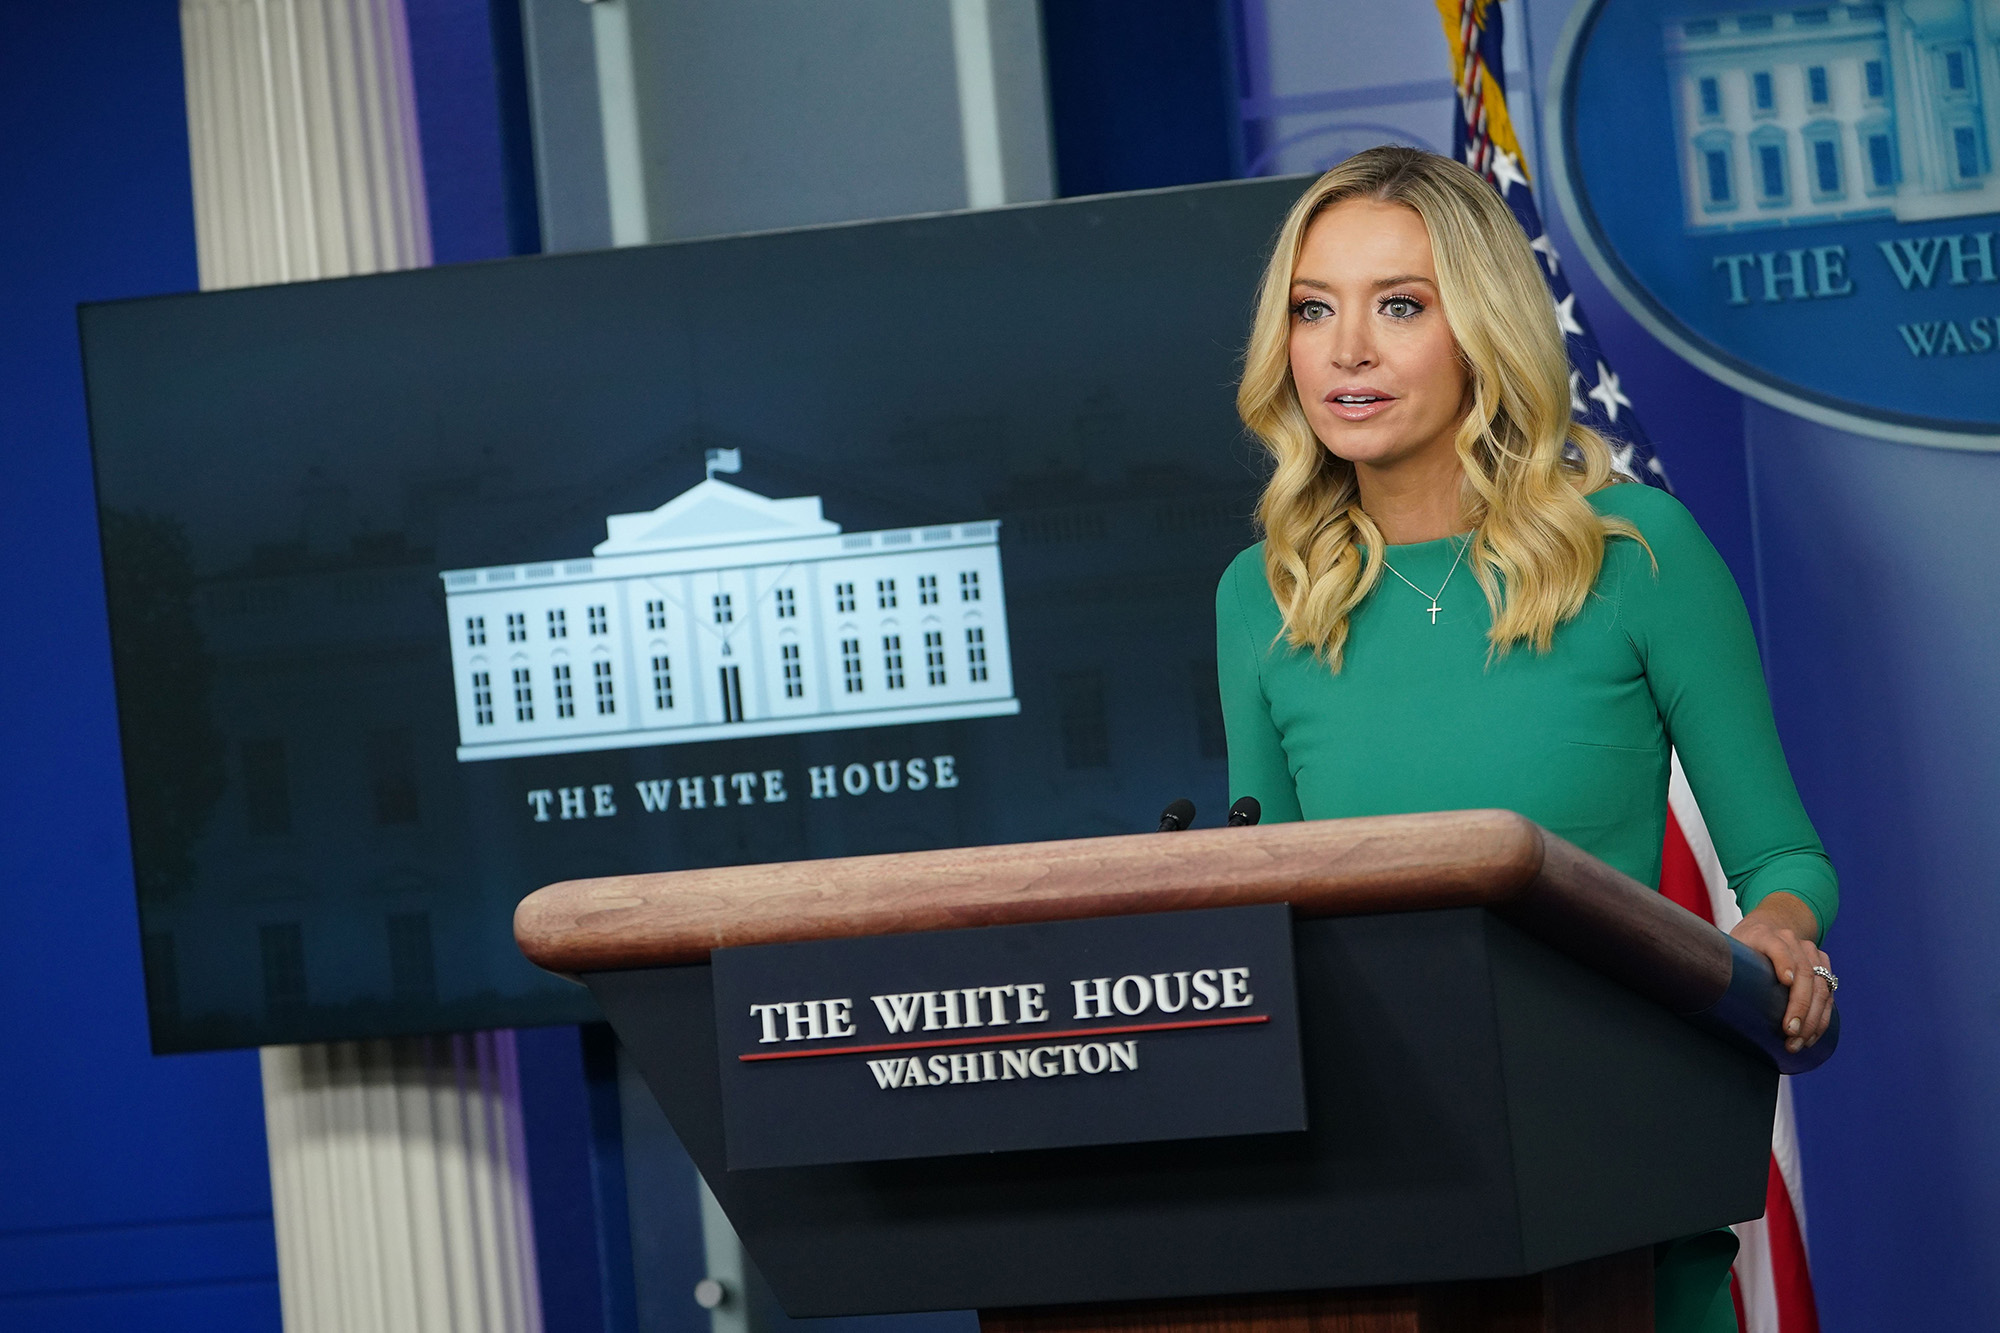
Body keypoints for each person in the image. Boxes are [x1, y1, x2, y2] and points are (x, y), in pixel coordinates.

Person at [1214, 146, 1837, 1333]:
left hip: (1609, 1176)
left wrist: (1773, 934)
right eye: (1312, 308)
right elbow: (1265, 898)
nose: (1345, 348)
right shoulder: (1262, 594)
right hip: (1376, 1190)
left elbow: (1781, 859)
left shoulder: (1635, 552)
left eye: (1399, 305)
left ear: (1482, 329)